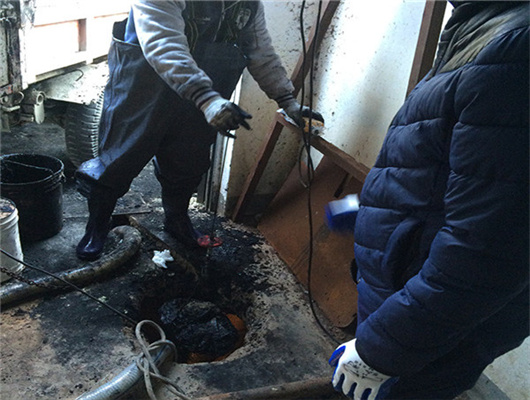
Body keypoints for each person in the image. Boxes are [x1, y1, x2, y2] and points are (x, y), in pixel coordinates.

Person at [329, 1, 529, 399]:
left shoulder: (516, 48)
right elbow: (450, 167)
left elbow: (489, 248)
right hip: (409, 299)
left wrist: (380, 352)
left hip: (426, 326)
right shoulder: (481, 24)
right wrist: (372, 210)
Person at [75, 0, 323, 260]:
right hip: (144, 87)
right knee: (119, 159)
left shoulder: (249, 4)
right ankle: (97, 227)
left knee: (188, 162)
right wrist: (206, 98)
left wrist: (287, 101)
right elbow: (163, 43)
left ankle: (177, 221)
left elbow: (261, 51)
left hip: (202, 98)